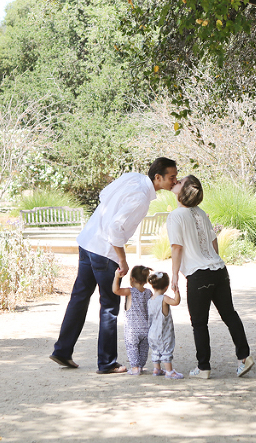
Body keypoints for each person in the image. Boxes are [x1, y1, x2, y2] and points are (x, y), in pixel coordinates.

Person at [50, 157, 179, 374]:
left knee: (79, 298)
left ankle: (62, 350)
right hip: (104, 251)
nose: (175, 181)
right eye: (172, 177)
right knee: (109, 306)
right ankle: (107, 363)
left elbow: (103, 195)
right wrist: (122, 259)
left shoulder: (132, 177)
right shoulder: (141, 199)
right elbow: (115, 231)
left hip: (88, 241)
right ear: (158, 177)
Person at [167, 175, 254, 379]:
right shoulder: (201, 214)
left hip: (198, 275)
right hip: (219, 270)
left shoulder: (176, 216)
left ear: (183, 191)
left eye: (180, 182)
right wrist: (213, 259)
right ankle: (244, 357)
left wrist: (174, 275)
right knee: (230, 314)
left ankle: (203, 367)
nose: (176, 181)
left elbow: (177, 247)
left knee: (199, 323)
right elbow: (214, 243)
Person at [112, 265, 153, 376]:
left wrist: (117, 277)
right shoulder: (149, 293)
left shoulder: (130, 292)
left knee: (132, 347)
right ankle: (140, 365)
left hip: (132, 329)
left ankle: (135, 367)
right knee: (144, 349)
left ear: (132, 279)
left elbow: (115, 290)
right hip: (146, 327)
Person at [147, 270, 183, 379]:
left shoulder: (150, 300)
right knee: (166, 350)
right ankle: (169, 371)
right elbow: (176, 301)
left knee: (156, 350)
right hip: (163, 332)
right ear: (166, 287)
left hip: (152, 332)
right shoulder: (164, 298)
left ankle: (157, 369)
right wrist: (176, 291)